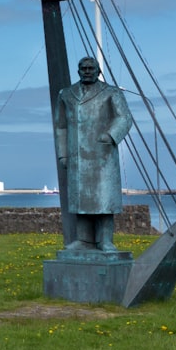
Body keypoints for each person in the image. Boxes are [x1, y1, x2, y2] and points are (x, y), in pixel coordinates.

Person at [54, 56, 132, 252]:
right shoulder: (66, 94)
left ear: (98, 71)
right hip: (77, 156)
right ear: (78, 70)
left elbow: (124, 118)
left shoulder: (111, 93)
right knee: (81, 200)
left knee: (104, 199)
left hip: (102, 155)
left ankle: (106, 240)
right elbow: (61, 127)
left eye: (91, 68)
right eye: (83, 68)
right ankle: (84, 240)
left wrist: (110, 135)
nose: (87, 71)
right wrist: (63, 154)